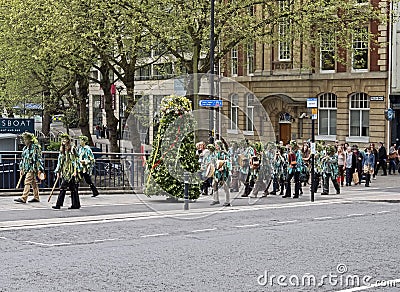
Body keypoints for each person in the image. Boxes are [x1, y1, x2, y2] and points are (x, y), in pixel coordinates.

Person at [14, 132, 45, 203]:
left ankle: (24, 197)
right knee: (33, 182)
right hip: (27, 167)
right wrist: (22, 168)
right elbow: (24, 158)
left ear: (29, 140)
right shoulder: (25, 148)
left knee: (27, 181)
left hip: (32, 168)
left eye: (25, 139)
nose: (24, 141)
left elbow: (36, 159)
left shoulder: (34, 147)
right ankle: (36, 197)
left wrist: (38, 168)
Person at [52, 133, 80, 210]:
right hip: (65, 171)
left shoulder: (72, 149)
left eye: (65, 139)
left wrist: (75, 170)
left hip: (71, 171)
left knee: (63, 187)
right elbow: (60, 161)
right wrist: (58, 171)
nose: (63, 140)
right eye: (62, 139)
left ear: (68, 140)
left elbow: (76, 159)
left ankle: (58, 204)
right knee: (73, 188)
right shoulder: (62, 150)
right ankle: (76, 204)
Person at [209, 140, 231, 207]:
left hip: (223, 172)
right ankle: (216, 200)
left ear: (219, 145)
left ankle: (227, 201)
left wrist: (223, 165)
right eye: (215, 145)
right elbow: (212, 160)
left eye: (216, 145)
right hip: (217, 171)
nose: (215, 146)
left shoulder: (224, 153)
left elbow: (228, 161)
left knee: (225, 186)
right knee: (214, 184)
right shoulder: (214, 153)